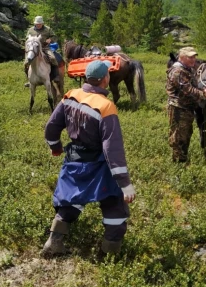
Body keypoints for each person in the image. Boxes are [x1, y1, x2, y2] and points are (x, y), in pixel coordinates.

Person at [42, 59, 136, 257]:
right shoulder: (106, 106)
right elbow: (113, 149)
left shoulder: (70, 95)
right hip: (99, 166)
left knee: (70, 200)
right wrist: (125, 184)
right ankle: (109, 254)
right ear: (105, 79)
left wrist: (55, 147)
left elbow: (51, 126)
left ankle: (54, 243)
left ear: (86, 77)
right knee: (114, 204)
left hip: (74, 160)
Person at [166, 46, 206, 163]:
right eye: (190, 57)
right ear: (181, 57)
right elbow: (189, 90)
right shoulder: (177, 71)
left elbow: (194, 85)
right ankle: (178, 165)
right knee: (179, 137)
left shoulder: (187, 69)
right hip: (179, 109)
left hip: (186, 109)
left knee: (186, 135)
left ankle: (182, 161)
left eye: (194, 57)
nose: (193, 60)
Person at [24, 16, 59, 87]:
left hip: (45, 48)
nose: (38, 25)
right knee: (26, 62)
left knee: (53, 58)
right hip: (34, 49)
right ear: (35, 24)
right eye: (37, 24)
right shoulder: (30, 30)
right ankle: (29, 79)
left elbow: (54, 36)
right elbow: (27, 39)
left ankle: (56, 76)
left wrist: (50, 39)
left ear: (42, 23)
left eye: (39, 24)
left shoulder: (48, 29)